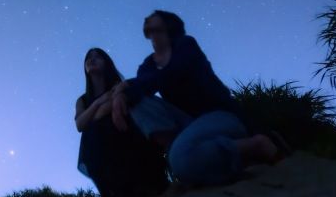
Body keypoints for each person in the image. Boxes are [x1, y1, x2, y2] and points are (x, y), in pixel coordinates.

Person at [111, 10, 290, 187]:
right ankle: (187, 154)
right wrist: (121, 94)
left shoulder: (186, 45)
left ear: (167, 24)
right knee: (138, 102)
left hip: (221, 116)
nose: (147, 20)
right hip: (189, 123)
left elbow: (170, 73)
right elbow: (142, 87)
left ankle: (256, 145)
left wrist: (127, 86)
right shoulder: (147, 65)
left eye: (153, 19)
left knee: (182, 159)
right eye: (147, 20)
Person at [75, 47, 169, 197]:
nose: (92, 59)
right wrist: (98, 102)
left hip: (125, 136)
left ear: (107, 63)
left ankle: (146, 182)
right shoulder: (83, 100)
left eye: (98, 56)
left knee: (99, 126)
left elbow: (103, 112)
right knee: (90, 134)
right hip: (101, 148)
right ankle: (115, 195)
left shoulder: (117, 86)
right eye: (88, 58)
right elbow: (79, 125)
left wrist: (96, 112)